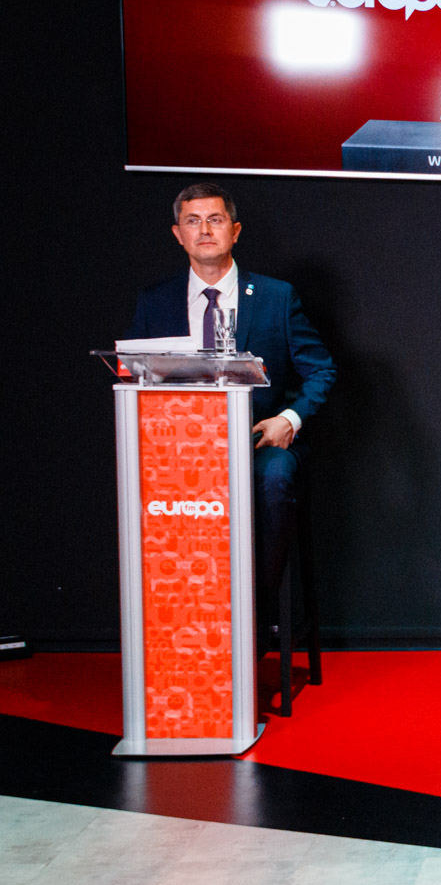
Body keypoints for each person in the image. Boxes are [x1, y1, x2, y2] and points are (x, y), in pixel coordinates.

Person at [127, 182, 337, 601]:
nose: (205, 230)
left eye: (215, 220)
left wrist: (289, 420)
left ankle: (257, 606)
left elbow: (321, 370)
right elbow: (134, 377)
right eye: (193, 221)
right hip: (180, 449)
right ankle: (182, 605)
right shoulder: (155, 302)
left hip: (257, 443)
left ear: (235, 231)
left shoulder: (276, 297)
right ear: (178, 234)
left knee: (276, 479)